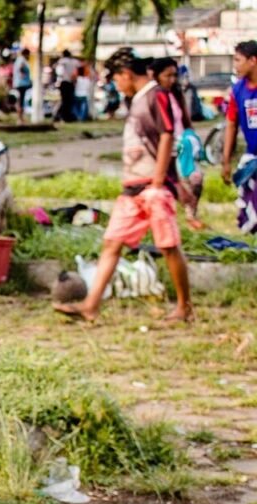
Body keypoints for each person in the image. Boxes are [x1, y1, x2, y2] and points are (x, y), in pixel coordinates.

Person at [54, 50, 194, 324]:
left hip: (153, 186)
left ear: (126, 75)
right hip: (132, 188)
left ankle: (184, 307)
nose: (117, 85)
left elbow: (168, 135)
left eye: (117, 78)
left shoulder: (156, 96)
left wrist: (157, 181)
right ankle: (91, 305)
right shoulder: (139, 100)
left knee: (168, 246)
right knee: (112, 243)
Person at [152, 56, 205, 229]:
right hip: (167, 146)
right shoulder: (155, 96)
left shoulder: (176, 94)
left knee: (195, 179)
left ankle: (191, 215)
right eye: (168, 75)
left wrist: (193, 139)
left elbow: (185, 120)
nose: (172, 79)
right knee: (173, 184)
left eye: (174, 75)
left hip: (182, 144)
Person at [222, 40, 257, 233]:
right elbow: (231, 124)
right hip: (253, 156)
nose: (235, 66)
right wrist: (226, 160)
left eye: (238, 60)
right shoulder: (238, 91)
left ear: (253, 61)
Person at [55, 49, 79, 122]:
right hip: (71, 83)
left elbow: (59, 72)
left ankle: (60, 116)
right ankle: (65, 116)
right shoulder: (74, 62)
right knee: (69, 101)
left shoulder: (62, 61)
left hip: (64, 82)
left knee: (64, 100)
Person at [13, 48, 33, 124]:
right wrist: (22, 74)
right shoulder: (22, 60)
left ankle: (21, 118)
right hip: (21, 83)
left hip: (20, 83)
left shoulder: (19, 59)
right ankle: (20, 119)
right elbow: (21, 68)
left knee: (20, 100)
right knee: (21, 101)